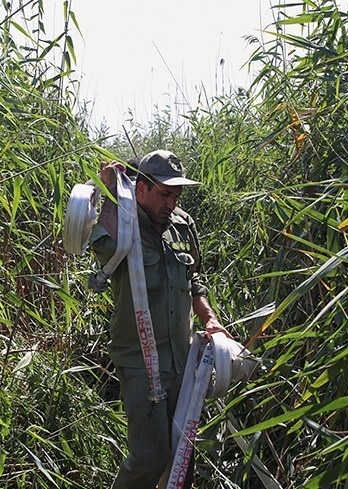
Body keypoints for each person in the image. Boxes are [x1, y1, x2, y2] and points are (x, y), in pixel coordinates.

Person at [89, 150, 231, 488]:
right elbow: (105, 251)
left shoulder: (182, 225)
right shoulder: (122, 223)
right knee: (148, 458)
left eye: (177, 194)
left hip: (182, 360)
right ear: (142, 189)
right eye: (165, 193)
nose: (172, 202)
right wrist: (111, 193)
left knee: (183, 453)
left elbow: (195, 279)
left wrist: (210, 319)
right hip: (139, 361)